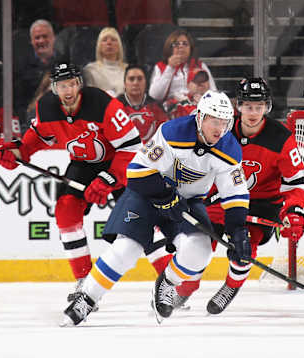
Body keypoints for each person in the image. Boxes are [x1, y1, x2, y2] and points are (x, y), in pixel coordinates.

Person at [60, 90, 251, 326]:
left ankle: (167, 283)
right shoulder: (173, 132)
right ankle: (87, 297)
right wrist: (165, 197)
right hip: (147, 195)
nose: (219, 129)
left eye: (224, 123)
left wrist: (238, 232)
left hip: (187, 201)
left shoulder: (230, 149)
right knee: (127, 248)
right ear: (200, 117)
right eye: (214, 121)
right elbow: (137, 174)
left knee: (200, 251)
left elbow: (236, 196)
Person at [0, 62, 141, 301]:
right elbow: (35, 141)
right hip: (83, 164)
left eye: (72, 83)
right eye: (62, 85)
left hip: (119, 163)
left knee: (141, 219)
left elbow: (133, 147)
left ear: (79, 84)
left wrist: (108, 179)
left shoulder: (103, 104)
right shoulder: (47, 108)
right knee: (65, 210)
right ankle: (84, 283)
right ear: (54, 88)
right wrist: (15, 153)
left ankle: (170, 283)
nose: (68, 90)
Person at [164, 77, 304, 315]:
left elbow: (297, 184)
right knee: (198, 243)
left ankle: (231, 287)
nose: (253, 112)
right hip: (220, 197)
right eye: (248, 106)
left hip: (261, 203)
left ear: (268, 107)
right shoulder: (220, 129)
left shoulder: (281, 138)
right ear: (238, 106)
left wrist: (294, 211)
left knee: (245, 248)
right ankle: (185, 287)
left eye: (259, 106)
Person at [14, 19, 59, 133]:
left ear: (54, 38)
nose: (41, 41)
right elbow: (19, 104)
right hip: (32, 126)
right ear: (31, 41)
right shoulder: (21, 69)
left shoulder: (66, 63)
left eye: (45, 36)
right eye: (37, 38)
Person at [148, 29, 216, 104]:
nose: (181, 47)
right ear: (170, 48)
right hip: (170, 110)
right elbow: (155, 95)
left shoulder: (200, 65)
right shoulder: (161, 66)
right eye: (176, 44)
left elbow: (213, 92)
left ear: (190, 48)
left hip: (197, 107)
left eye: (185, 44)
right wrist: (170, 68)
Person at [83, 27, 128, 97]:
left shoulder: (128, 70)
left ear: (119, 45)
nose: (109, 43)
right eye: (104, 40)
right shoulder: (90, 70)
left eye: (113, 40)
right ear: (99, 46)